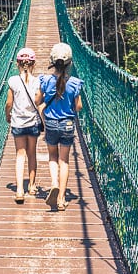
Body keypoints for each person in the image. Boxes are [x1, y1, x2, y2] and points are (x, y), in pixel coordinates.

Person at [35, 42, 83, 211]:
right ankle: (61, 199)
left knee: (52, 157)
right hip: (68, 124)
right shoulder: (75, 82)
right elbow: (78, 107)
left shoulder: (45, 79)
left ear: (52, 61)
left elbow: (38, 101)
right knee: (64, 161)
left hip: (51, 123)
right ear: (70, 63)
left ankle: (54, 183)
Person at [5, 47, 41, 203]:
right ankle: (32, 186)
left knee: (20, 155)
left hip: (18, 122)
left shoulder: (13, 81)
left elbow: (8, 103)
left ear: (17, 64)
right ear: (33, 64)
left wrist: (8, 116)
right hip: (32, 122)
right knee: (32, 153)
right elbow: (39, 101)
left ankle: (19, 190)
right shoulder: (38, 81)